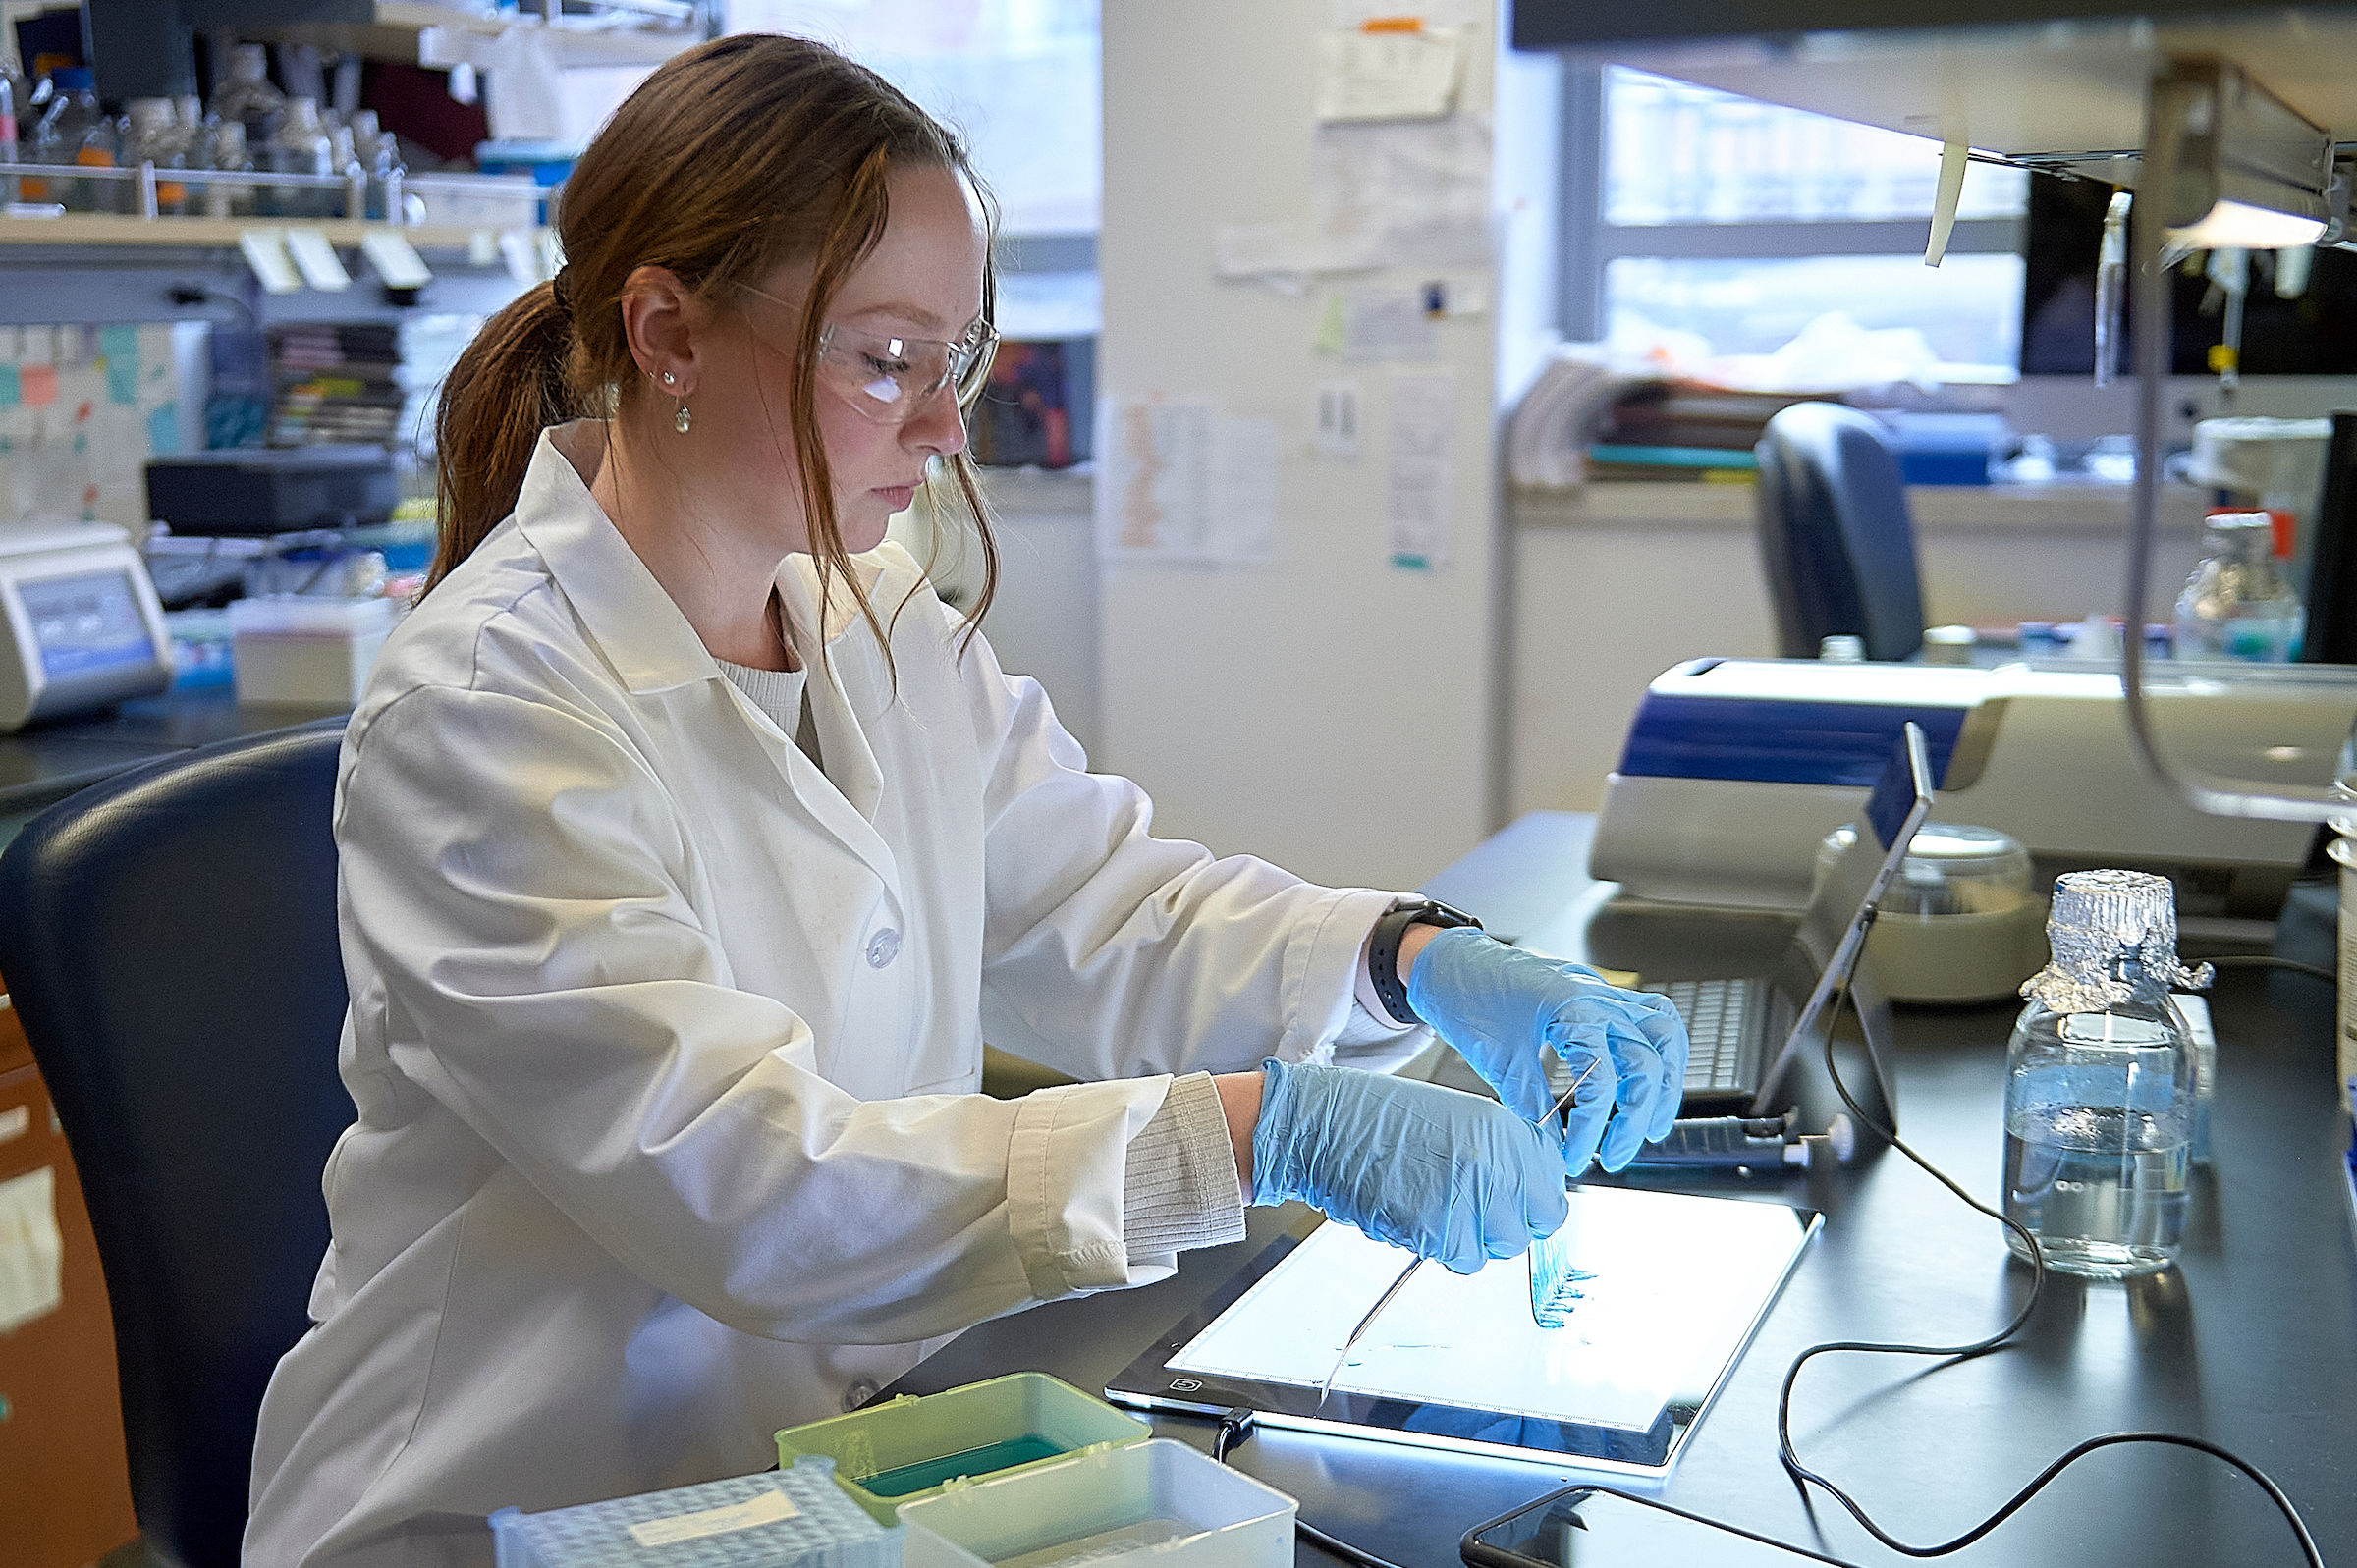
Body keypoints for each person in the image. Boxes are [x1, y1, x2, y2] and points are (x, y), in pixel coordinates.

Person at [243, 35, 1688, 1568]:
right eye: (886, 360)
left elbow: (1105, 903)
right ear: (666, 331)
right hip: (525, 1506)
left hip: (818, 1477)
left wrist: (1415, 958)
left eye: (961, 360)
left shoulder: (867, 608)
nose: (945, 431)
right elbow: (753, 1182)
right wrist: (1266, 1134)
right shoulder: (488, 708)